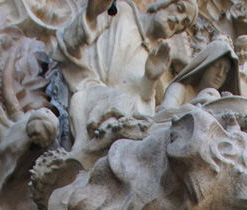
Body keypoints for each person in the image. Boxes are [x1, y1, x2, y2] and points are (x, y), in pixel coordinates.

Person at [54, 0, 197, 153]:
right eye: (179, 9)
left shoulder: (158, 56)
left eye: (184, 23)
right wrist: (92, 14)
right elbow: (71, 42)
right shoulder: (121, 11)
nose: (178, 20)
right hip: (87, 93)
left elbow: (142, 107)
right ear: (163, 3)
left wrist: (150, 78)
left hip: (120, 118)